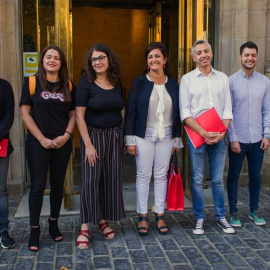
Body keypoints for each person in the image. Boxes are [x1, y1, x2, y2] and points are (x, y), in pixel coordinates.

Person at [20, 45, 76, 251]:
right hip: (37, 142)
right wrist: (42, 139)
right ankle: (34, 230)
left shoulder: (68, 85)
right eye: (48, 57)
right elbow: (25, 113)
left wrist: (66, 136)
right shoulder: (32, 83)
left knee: (58, 184)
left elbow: (73, 114)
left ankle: (54, 224)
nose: (52, 60)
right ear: (42, 60)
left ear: (61, 63)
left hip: (62, 141)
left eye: (56, 58)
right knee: (37, 186)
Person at [125, 42, 183, 236]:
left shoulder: (174, 84)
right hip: (144, 136)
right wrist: (130, 140)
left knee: (160, 175)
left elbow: (178, 113)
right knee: (143, 175)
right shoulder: (139, 82)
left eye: (157, 56)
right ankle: (142, 216)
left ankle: (159, 213)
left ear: (165, 60)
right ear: (147, 62)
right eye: (150, 57)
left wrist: (176, 139)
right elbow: (131, 112)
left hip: (166, 136)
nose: (153, 60)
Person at [179, 40, 235, 235]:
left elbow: (228, 109)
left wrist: (222, 133)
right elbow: (184, 113)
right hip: (197, 135)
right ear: (193, 57)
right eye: (199, 53)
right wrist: (203, 132)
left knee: (218, 179)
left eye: (206, 51)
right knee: (196, 179)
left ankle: (221, 216)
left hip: (219, 135)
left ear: (211, 54)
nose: (203, 55)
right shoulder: (187, 80)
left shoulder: (223, 78)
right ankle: (200, 217)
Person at [76, 43, 125, 249]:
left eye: (101, 58)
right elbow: (79, 115)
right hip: (93, 138)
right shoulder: (85, 84)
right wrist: (88, 145)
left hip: (114, 136)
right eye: (94, 59)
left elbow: (122, 109)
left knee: (109, 180)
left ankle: (102, 219)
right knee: (90, 182)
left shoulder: (117, 82)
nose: (97, 62)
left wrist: (122, 135)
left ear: (109, 59)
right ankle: (85, 226)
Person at [227, 41, 270, 227]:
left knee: (255, 176)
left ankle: (253, 211)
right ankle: (234, 212)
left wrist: (267, 134)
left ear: (257, 57)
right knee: (234, 176)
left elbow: (267, 110)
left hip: (258, 139)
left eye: (253, 55)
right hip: (239, 139)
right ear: (240, 57)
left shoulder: (265, 82)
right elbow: (227, 112)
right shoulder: (231, 81)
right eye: (246, 55)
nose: (250, 58)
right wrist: (233, 138)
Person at [0, 78, 15, 249]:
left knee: (1, 191)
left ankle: (3, 230)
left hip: (0, 145)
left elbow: (8, 115)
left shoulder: (4, 86)